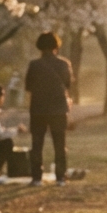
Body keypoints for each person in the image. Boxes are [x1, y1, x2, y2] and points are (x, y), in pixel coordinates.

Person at [25, 31, 74, 187]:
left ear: (39, 46)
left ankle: (36, 177)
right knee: (60, 144)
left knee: (37, 144)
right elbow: (68, 84)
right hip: (59, 108)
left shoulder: (34, 65)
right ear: (56, 46)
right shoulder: (64, 64)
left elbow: (29, 86)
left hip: (38, 108)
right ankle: (60, 177)